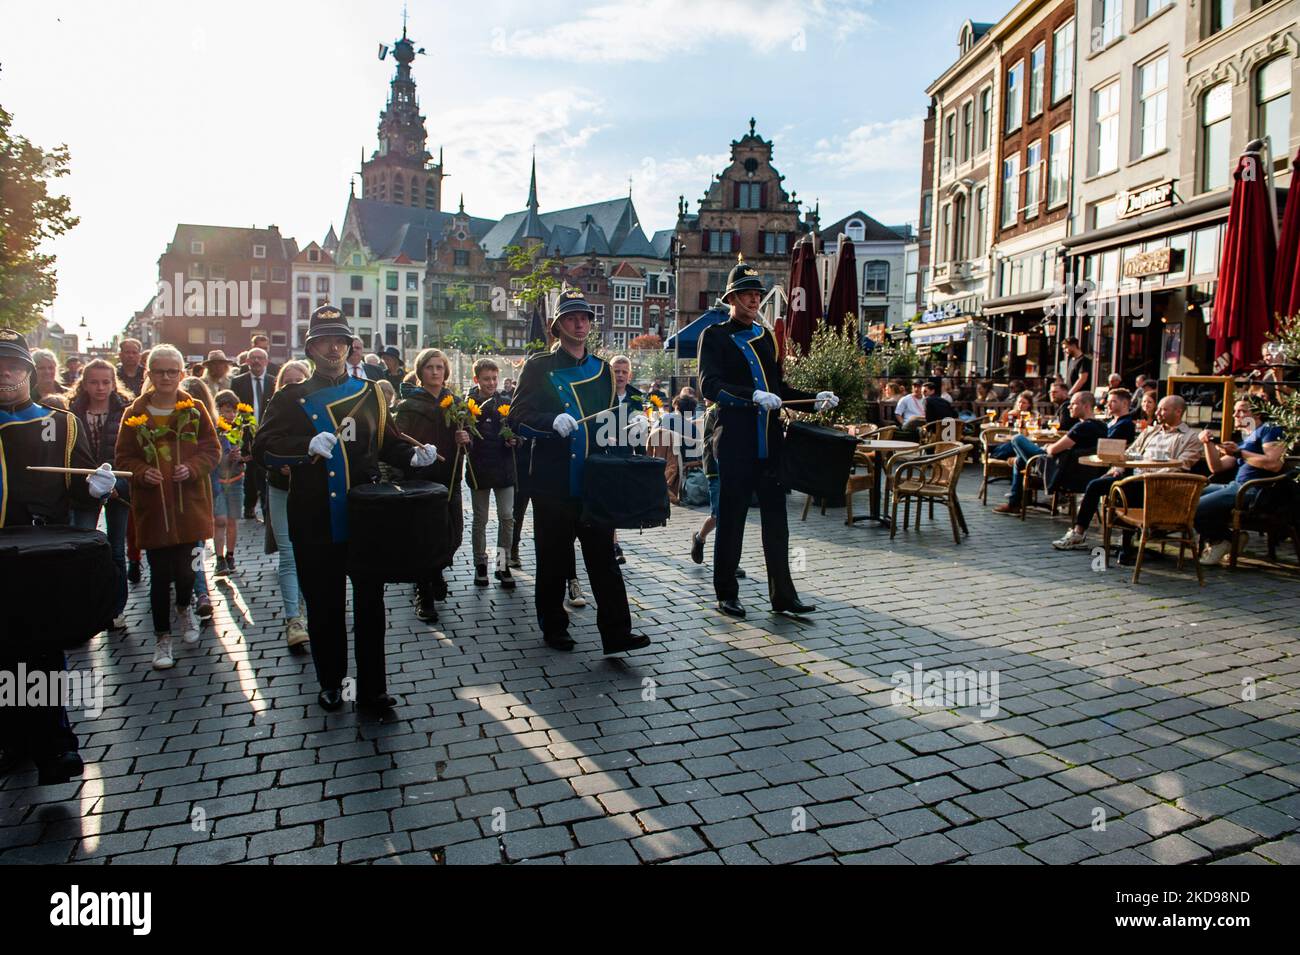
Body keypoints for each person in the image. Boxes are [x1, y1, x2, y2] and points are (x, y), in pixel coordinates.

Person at [253, 305, 436, 715]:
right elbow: (261, 449)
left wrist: (415, 456)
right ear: (311, 347)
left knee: (371, 606)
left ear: (350, 345)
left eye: (340, 340)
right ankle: (332, 682)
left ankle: (372, 690)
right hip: (315, 516)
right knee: (325, 606)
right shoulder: (290, 398)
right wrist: (304, 448)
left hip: (366, 515)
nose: (333, 348)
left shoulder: (371, 392)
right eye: (324, 340)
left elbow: (388, 443)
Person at [507, 287, 650, 653]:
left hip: (593, 480)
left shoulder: (603, 370)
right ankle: (554, 625)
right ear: (558, 325)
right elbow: (518, 417)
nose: (580, 323)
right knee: (553, 559)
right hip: (553, 482)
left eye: (584, 317)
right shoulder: (539, 366)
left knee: (603, 559)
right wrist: (551, 420)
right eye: (571, 317)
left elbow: (607, 425)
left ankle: (617, 632)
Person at [0, 328, 111, 785]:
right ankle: (12, 739)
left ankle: (55, 745)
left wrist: (94, 488)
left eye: (12, 365)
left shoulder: (60, 422)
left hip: (39, 555)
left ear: (28, 371)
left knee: (43, 650)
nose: (4, 374)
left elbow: (77, 485)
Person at [698, 257, 838, 618]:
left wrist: (814, 398)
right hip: (734, 442)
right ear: (731, 298)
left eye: (756, 295)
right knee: (731, 520)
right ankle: (726, 592)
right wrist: (750, 396)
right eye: (745, 294)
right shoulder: (713, 336)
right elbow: (708, 385)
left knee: (778, 522)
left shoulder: (767, 339)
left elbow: (780, 389)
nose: (753, 301)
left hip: (770, 443)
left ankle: (783, 596)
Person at [115, 344, 221, 670]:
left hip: (190, 507)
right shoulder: (134, 413)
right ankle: (162, 638)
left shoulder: (195, 408)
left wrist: (193, 467)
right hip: (155, 509)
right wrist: (140, 472)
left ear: (181, 374)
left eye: (171, 371)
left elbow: (212, 450)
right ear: (148, 374)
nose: (165, 377)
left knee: (189, 571)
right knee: (160, 576)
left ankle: (185, 609)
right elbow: (123, 458)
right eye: (159, 371)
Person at [1052, 395, 1202, 553]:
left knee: (1120, 489)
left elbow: (1182, 466)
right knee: (1096, 485)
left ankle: (1126, 542)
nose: (1157, 413)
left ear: (1178, 412)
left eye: (1163, 410)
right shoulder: (1152, 432)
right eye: (1158, 409)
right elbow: (1129, 452)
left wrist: (1150, 477)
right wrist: (1117, 469)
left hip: (1161, 487)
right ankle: (1079, 534)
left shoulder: (1190, 437)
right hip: (1135, 478)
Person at [396, 348, 469, 623]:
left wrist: (465, 439)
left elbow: (468, 442)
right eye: (430, 367)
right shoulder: (409, 405)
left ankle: (437, 569)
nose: (435, 372)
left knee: (453, 534)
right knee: (425, 537)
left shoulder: (456, 403)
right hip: (422, 480)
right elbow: (399, 441)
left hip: (451, 477)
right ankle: (424, 591)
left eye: (440, 367)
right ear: (420, 371)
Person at [68, 358, 134, 630]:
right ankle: (84, 606)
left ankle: (116, 608)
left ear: (113, 382)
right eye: (94, 382)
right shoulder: (72, 411)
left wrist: (116, 486)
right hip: (84, 488)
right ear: (84, 384)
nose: (100, 387)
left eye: (106, 382)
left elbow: (130, 452)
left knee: (117, 548)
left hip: (117, 486)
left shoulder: (125, 410)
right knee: (80, 546)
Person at [1195, 401, 1287, 565]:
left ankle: (1221, 541)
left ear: (1257, 414)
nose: (1235, 415)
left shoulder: (1269, 429)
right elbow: (1217, 467)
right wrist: (1207, 444)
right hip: (1235, 487)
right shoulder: (1246, 439)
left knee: (1194, 507)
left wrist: (1239, 452)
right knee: (1186, 496)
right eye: (1235, 411)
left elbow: (1274, 464)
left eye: (1241, 411)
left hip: (1254, 491)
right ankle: (1230, 539)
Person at [264, 360, 312, 650]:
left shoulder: (317, 412)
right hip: (281, 489)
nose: (293, 386)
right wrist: (280, 462)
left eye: (299, 381)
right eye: (287, 381)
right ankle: (293, 618)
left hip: (310, 490)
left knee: (310, 551)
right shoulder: (276, 410)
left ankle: (311, 606)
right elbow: (262, 447)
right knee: (289, 554)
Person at [994, 391, 1107, 514]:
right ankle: (1015, 502)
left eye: (1073, 404)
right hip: (1084, 472)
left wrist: (1047, 448)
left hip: (1060, 469)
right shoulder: (1102, 426)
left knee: (1017, 439)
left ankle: (1015, 502)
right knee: (1020, 461)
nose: (1069, 407)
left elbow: (1053, 450)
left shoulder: (1082, 427)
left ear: (1086, 406)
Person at [465, 358, 517, 590]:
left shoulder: (506, 402)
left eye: (494, 378)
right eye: (486, 379)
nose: (491, 383)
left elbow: (518, 432)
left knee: (507, 517)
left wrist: (515, 441)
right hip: (480, 470)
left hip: (504, 470)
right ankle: (480, 565)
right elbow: (465, 439)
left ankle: (502, 564)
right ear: (476, 380)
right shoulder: (468, 406)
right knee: (480, 519)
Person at [179, 376, 218, 620]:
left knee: (195, 544)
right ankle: (196, 588)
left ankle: (200, 590)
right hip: (188, 489)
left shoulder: (205, 422)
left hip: (197, 488)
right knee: (195, 545)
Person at [231, 347, 275, 520]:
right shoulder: (238, 382)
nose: (256, 361)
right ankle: (249, 506)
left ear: (266, 361)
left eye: (260, 358)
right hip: (245, 434)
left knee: (264, 471)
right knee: (249, 473)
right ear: (247, 361)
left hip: (267, 432)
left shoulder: (272, 381)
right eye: (253, 358)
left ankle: (265, 509)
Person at [210, 390, 249, 576]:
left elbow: (250, 452)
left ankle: (230, 555)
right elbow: (210, 458)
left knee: (232, 520)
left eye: (234, 411)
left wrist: (241, 457)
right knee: (220, 520)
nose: (231, 415)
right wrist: (225, 457)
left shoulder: (241, 428)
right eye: (226, 411)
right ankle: (219, 558)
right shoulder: (214, 431)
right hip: (218, 480)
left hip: (236, 480)